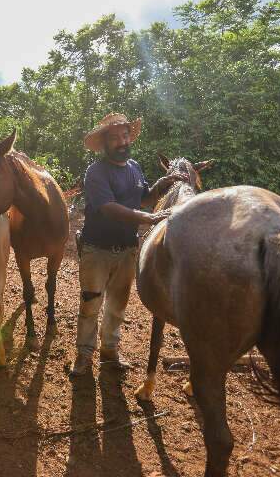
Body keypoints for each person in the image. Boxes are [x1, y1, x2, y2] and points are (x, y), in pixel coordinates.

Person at [70, 113, 187, 376]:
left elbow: (143, 199)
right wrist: (148, 218)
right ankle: (84, 355)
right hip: (96, 249)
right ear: (104, 143)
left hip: (127, 249)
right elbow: (109, 208)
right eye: (115, 137)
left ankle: (110, 351)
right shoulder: (96, 172)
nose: (122, 141)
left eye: (125, 136)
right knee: (90, 304)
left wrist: (161, 185)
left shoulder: (134, 167)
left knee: (117, 305)